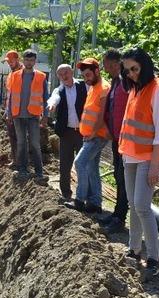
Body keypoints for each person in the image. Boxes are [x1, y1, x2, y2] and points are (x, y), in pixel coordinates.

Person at [118, 48, 159, 280]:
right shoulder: (136, 88)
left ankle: (154, 259)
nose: (130, 74)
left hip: (147, 158)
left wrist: (154, 165)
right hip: (130, 155)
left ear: (145, 66)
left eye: (134, 69)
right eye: (127, 70)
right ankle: (134, 249)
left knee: (142, 206)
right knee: (133, 204)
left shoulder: (157, 89)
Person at [64, 57, 110, 213]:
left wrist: (94, 133)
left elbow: (102, 114)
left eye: (88, 75)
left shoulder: (103, 88)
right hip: (91, 135)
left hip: (96, 136)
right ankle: (95, 203)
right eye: (83, 76)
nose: (86, 78)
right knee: (91, 168)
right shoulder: (94, 87)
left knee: (80, 163)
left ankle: (80, 200)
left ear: (97, 71)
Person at [97, 48, 130, 234]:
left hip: (126, 140)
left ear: (117, 64)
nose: (107, 69)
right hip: (117, 137)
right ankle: (117, 213)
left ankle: (120, 217)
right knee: (118, 178)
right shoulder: (116, 82)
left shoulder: (127, 83)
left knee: (123, 179)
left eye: (109, 65)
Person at [6, 49, 49, 184]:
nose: (29, 62)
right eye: (27, 60)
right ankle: (22, 169)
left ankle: (39, 171)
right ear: (23, 61)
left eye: (32, 60)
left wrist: (46, 116)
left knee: (35, 143)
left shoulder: (41, 77)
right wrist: (9, 113)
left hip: (33, 115)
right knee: (21, 142)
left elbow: (45, 97)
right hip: (18, 114)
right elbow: (11, 95)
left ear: (35, 61)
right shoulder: (15, 75)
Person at [47, 64, 86, 203]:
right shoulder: (59, 90)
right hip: (66, 132)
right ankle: (66, 193)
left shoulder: (83, 86)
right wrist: (52, 105)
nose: (64, 75)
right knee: (65, 164)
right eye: (61, 74)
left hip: (83, 132)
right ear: (58, 77)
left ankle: (83, 195)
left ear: (72, 72)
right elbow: (54, 98)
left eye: (66, 72)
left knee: (83, 164)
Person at [3, 50, 23, 167]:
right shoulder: (11, 74)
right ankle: (15, 160)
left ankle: (21, 162)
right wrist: (7, 110)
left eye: (11, 61)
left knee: (20, 138)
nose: (9, 63)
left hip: (20, 111)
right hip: (11, 110)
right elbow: (9, 94)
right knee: (12, 137)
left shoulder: (23, 73)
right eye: (8, 61)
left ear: (17, 59)